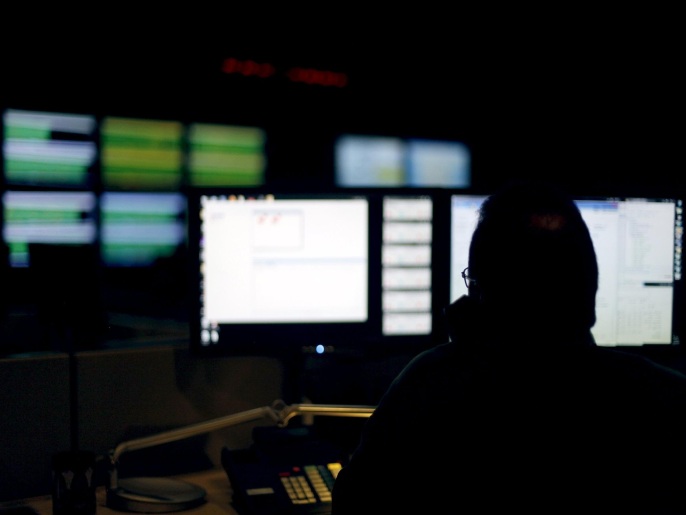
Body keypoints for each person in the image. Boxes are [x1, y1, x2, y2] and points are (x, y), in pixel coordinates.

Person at [331, 180, 686, 514]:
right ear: (590, 289)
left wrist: (465, 349)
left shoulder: (428, 387)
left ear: (480, 293)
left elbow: (353, 503)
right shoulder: (667, 396)